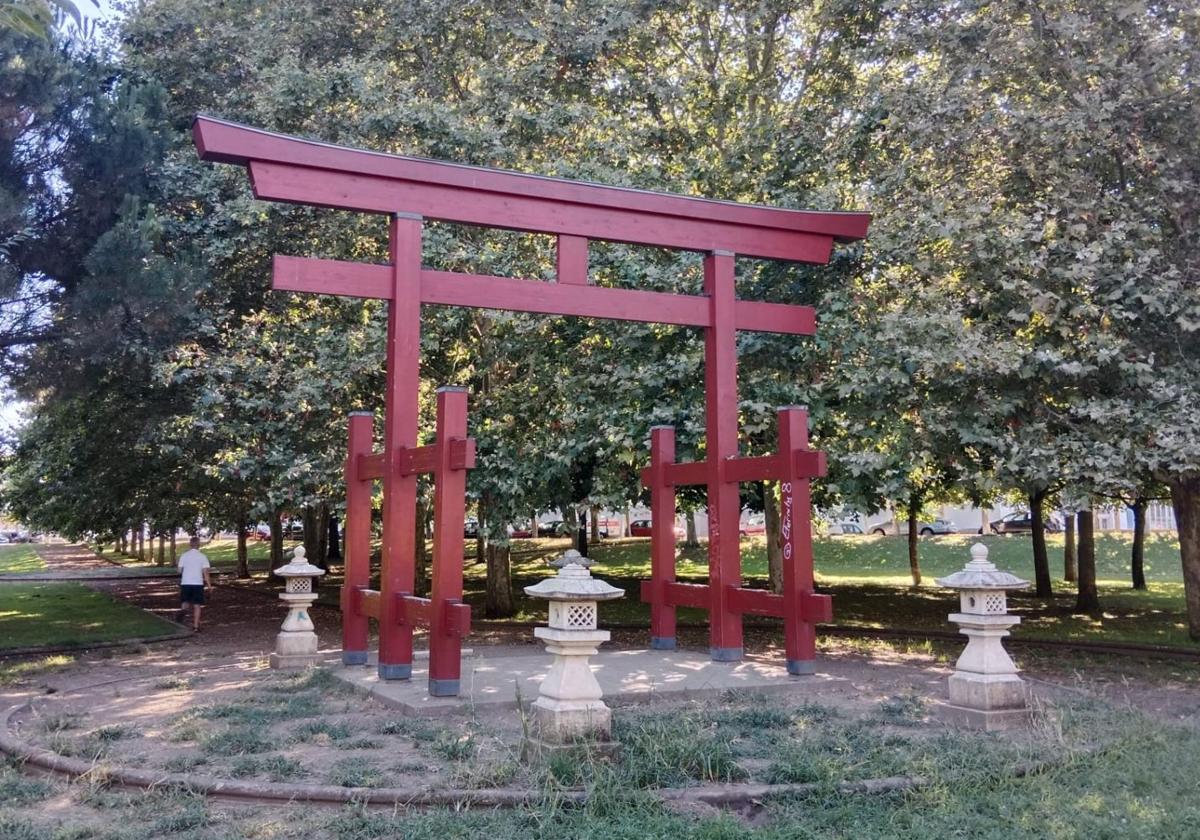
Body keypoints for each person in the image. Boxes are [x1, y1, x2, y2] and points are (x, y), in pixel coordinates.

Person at [176, 536, 212, 631]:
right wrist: (209, 586)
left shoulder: (184, 556)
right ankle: (196, 626)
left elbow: (179, 571)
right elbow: (206, 573)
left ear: (190, 544)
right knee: (197, 605)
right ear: (198, 545)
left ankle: (183, 611)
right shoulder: (203, 557)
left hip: (186, 582)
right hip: (198, 583)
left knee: (185, 601)